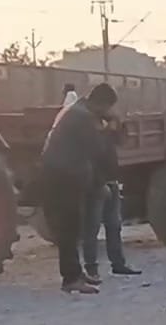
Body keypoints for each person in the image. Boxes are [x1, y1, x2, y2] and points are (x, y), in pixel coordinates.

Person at [39, 83, 120, 294]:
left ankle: (75, 272)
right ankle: (71, 278)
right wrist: (110, 130)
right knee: (69, 228)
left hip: (61, 173)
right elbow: (98, 151)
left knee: (71, 227)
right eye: (108, 108)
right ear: (102, 104)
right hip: (63, 177)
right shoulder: (83, 117)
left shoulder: (77, 111)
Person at [81, 114, 141, 283]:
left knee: (114, 225)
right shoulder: (89, 132)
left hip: (111, 182)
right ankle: (91, 269)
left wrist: (116, 124)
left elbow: (122, 140)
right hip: (96, 185)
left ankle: (118, 263)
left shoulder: (106, 132)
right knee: (92, 228)